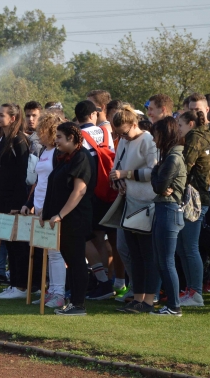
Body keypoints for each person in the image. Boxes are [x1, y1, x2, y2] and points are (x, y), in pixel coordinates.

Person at [41, 122, 96, 316]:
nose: (56, 141)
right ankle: (73, 301)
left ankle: (78, 304)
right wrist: (46, 213)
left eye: (59, 137)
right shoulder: (64, 157)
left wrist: (61, 214)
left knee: (76, 260)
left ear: (71, 138)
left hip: (75, 218)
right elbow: (53, 187)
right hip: (62, 218)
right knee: (70, 260)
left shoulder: (81, 157)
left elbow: (79, 191)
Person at [111, 105, 159, 314]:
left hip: (146, 203)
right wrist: (117, 180)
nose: (123, 137)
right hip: (129, 200)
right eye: (119, 133)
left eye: (124, 132)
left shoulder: (147, 140)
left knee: (146, 254)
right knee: (132, 253)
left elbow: (154, 171)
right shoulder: (123, 140)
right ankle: (137, 296)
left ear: (134, 124)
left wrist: (126, 175)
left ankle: (149, 299)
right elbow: (116, 167)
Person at [22, 112, 66, 308]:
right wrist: (29, 203)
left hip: (52, 208)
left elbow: (57, 183)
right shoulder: (44, 151)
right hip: (39, 207)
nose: (38, 134)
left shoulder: (59, 153)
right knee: (47, 252)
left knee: (56, 253)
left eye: (42, 130)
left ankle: (59, 293)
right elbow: (39, 181)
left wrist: (50, 209)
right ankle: (51, 290)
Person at [74, 100, 118, 301]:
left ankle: (103, 282)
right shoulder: (105, 132)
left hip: (88, 191)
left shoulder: (77, 136)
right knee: (103, 238)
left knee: (91, 238)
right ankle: (107, 280)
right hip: (107, 189)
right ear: (92, 115)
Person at [0, 103, 31, 299]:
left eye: (1, 115)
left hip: (17, 199)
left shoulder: (19, 141)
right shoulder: (3, 140)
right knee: (8, 240)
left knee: (18, 243)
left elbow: (21, 175)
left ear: (13, 118)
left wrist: (18, 204)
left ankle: (21, 286)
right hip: (4, 197)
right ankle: (13, 282)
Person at [149, 117, 186, 316]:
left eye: (156, 135)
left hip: (169, 211)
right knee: (161, 260)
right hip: (164, 210)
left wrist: (155, 172)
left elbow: (159, 186)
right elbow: (160, 186)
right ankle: (171, 304)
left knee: (166, 260)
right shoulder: (169, 156)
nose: (154, 140)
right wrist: (157, 174)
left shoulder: (173, 158)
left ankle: (174, 306)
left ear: (164, 135)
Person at [176, 110, 210, 306]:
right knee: (183, 247)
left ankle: (196, 293)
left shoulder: (194, 138)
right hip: (194, 198)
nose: (178, 129)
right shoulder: (197, 136)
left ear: (190, 124)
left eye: (180, 125)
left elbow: (184, 168)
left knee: (190, 247)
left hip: (195, 199)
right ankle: (190, 290)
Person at [189, 93, 210, 185]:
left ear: (207, 109)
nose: (194, 113)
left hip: (206, 181)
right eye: (191, 110)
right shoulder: (189, 128)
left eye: (197, 109)